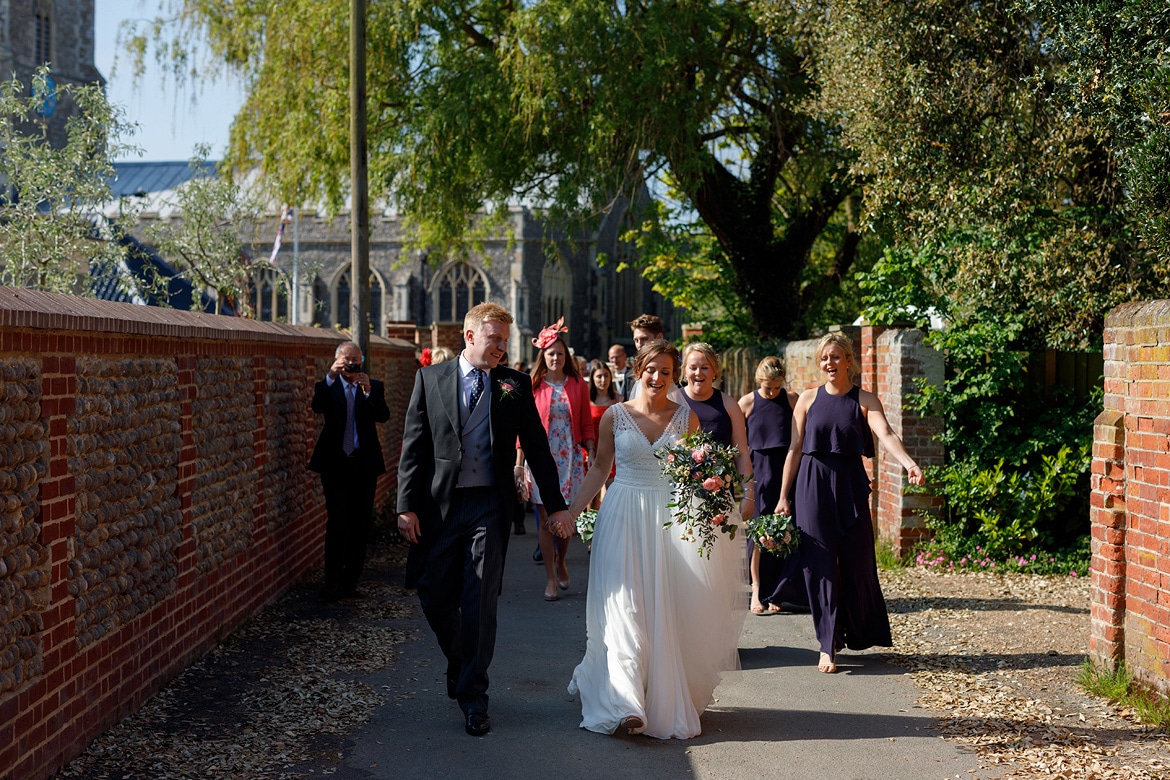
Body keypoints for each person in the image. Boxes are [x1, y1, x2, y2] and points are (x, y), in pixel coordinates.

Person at [397, 303, 573, 737]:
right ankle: (461, 666)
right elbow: (413, 447)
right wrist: (406, 506)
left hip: (489, 508)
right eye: (495, 339)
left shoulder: (513, 384)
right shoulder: (430, 379)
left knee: (479, 603)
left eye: (505, 341)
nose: (501, 348)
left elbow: (536, 448)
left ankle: (474, 697)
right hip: (440, 507)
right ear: (470, 336)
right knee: (435, 597)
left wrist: (556, 506)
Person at [567, 340, 747, 740]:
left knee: (660, 609)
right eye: (652, 369)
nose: (658, 378)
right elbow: (599, 470)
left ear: (674, 375)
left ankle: (657, 694)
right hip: (623, 514)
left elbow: (697, 474)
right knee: (625, 607)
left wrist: (718, 506)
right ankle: (625, 703)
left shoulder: (687, 420)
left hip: (669, 522)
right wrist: (573, 512)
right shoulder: (615, 416)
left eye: (666, 372)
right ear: (638, 370)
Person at [775, 333, 924, 673]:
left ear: (848, 361)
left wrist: (909, 463)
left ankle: (856, 629)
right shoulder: (808, 400)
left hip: (850, 484)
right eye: (825, 358)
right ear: (820, 363)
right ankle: (827, 644)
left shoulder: (864, 400)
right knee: (820, 564)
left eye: (836, 357)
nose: (830, 363)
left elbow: (886, 434)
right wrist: (784, 496)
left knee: (857, 562)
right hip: (812, 484)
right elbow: (795, 449)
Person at [516, 318, 595, 601]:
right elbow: (521, 429)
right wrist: (518, 462)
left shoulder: (577, 385)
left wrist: (591, 453)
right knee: (545, 520)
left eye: (560, 354)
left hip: (570, 459)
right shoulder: (532, 385)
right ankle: (550, 577)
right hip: (540, 459)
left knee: (565, 519)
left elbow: (586, 422)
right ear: (543, 356)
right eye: (551, 353)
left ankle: (562, 561)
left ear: (566, 357)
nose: (556, 358)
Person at [309, 341, 392, 600]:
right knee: (337, 522)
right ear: (337, 360)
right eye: (347, 360)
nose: (352, 365)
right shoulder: (328, 386)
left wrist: (368, 392)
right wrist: (331, 375)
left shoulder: (373, 387)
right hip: (335, 465)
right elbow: (317, 406)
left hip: (363, 465)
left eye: (356, 360)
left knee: (360, 525)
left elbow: (383, 416)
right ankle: (331, 582)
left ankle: (350, 582)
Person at [738, 356, 802, 615]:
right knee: (758, 534)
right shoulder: (747, 402)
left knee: (785, 532)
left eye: (777, 387)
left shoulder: (792, 399)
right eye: (768, 388)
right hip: (759, 474)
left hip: (786, 472)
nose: (773, 392)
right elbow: (738, 445)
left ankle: (777, 591)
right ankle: (756, 588)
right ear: (758, 381)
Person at [586, 359, 619, 508]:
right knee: (591, 496)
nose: (603, 380)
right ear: (592, 378)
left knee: (612, 492)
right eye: (599, 376)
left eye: (606, 376)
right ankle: (588, 529)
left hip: (612, 450)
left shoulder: (618, 399)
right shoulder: (587, 400)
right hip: (591, 449)